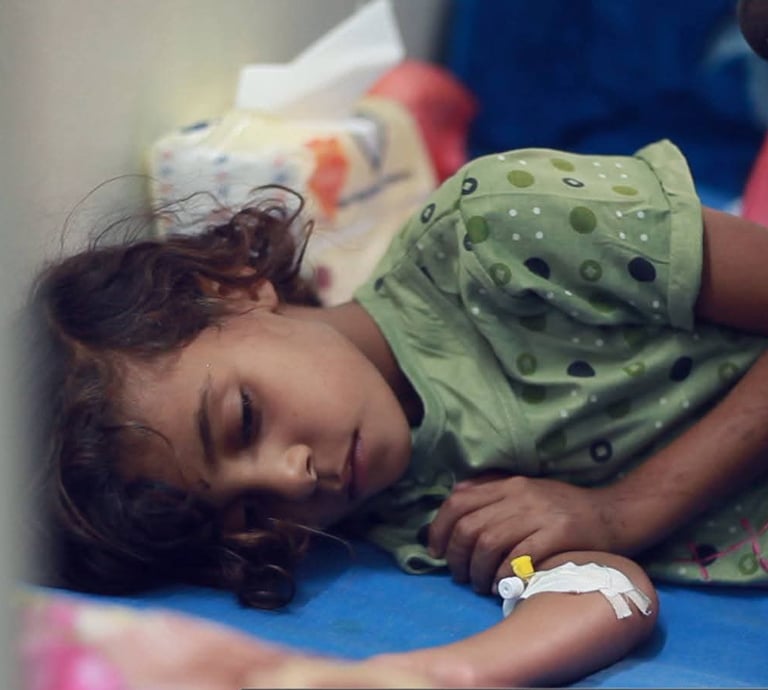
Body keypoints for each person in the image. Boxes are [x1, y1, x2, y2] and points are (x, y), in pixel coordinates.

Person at [32, 138, 768, 686]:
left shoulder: (502, 231)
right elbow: (596, 583)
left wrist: (624, 508)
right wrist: (435, 673)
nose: (292, 480)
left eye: (244, 420)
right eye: (252, 510)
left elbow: (611, 527)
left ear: (230, 284)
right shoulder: (403, 506)